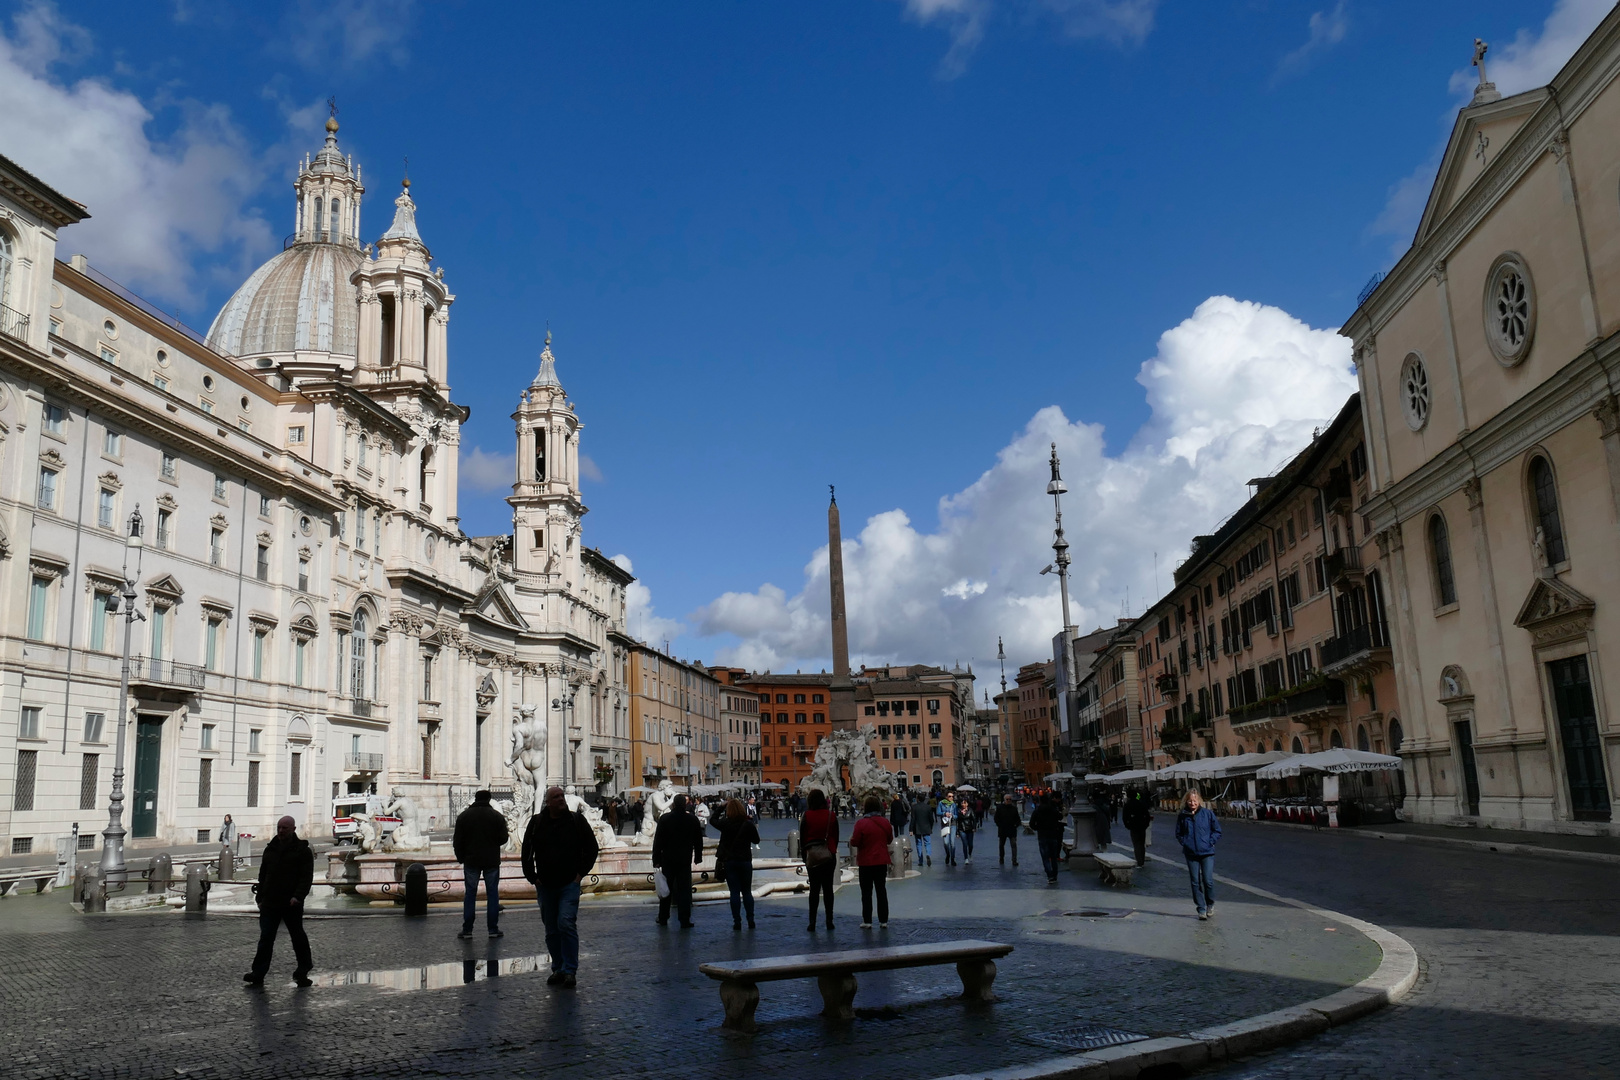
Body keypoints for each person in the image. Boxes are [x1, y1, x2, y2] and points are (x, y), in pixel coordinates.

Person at [522, 785, 599, 987]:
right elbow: (526, 851)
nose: (561, 799)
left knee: (565, 923)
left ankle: (570, 970)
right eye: (556, 797)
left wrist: (580, 874)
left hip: (568, 884)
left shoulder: (576, 820)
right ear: (548, 802)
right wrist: (533, 877)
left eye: (561, 796)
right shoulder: (537, 822)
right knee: (551, 930)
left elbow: (592, 848)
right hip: (545, 884)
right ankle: (558, 967)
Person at [243, 816, 314, 987]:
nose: (281, 831)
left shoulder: (302, 850)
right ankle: (258, 973)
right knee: (266, 938)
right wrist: (260, 897)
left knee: (297, 937)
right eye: (279, 827)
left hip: (291, 903)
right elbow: (262, 875)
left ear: (293, 829)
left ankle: (303, 970)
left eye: (285, 828)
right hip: (270, 901)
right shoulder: (270, 849)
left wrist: (297, 896)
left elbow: (306, 878)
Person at [453, 789, 510, 939]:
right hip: (491, 860)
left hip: (471, 860)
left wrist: (461, 857)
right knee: (492, 894)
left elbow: (457, 840)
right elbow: (504, 838)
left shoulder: (464, 816)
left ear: (475, 799)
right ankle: (492, 929)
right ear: (489, 799)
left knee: (470, 894)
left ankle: (467, 929)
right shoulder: (496, 817)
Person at [652, 793, 703, 928]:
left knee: (666, 889)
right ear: (685, 804)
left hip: (667, 859)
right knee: (684, 890)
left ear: (673, 804)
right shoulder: (692, 819)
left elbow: (658, 841)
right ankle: (684, 919)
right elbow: (698, 841)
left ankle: (663, 917)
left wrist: (656, 859)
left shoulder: (665, 819)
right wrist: (698, 857)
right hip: (684, 859)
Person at [714, 798, 761, 930]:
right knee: (747, 892)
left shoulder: (725, 823)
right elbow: (756, 840)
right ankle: (751, 919)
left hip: (730, 861)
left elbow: (712, 820)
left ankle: (737, 921)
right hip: (745, 861)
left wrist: (721, 807)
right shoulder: (748, 824)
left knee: (734, 892)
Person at [1175, 790, 1222, 920]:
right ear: (1186, 801)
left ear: (1199, 801)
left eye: (1195, 801)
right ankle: (1201, 908)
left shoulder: (1207, 814)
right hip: (1191, 853)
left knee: (1208, 881)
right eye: (1190, 801)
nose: (1192, 803)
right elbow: (1178, 833)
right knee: (1195, 882)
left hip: (1207, 852)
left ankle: (1210, 904)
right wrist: (1185, 843)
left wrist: (1210, 842)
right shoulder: (1183, 815)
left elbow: (1217, 830)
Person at [849, 795, 894, 928]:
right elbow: (890, 840)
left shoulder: (861, 823)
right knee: (881, 891)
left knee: (866, 893)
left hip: (866, 862)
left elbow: (855, 841)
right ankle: (884, 920)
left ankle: (867, 920)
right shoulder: (885, 822)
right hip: (881, 861)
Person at [799, 788, 840, 930]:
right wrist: (832, 849)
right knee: (828, 889)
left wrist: (804, 855)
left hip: (812, 855)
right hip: (828, 855)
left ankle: (812, 922)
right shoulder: (831, 815)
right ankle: (829, 920)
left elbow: (803, 838)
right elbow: (836, 835)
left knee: (814, 890)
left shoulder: (807, 815)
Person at [1028, 792, 1067, 884]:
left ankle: (1050, 876)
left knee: (1045, 857)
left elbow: (1031, 824)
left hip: (1042, 836)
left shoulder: (1037, 811)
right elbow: (1060, 817)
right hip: (1053, 835)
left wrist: (1038, 828)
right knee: (1053, 857)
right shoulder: (1053, 810)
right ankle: (1055, 875)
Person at [1122, 788, 1153, 867]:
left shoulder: (1127, 805)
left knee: (1136, 844)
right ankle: (1141, 860)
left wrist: (1127, 825)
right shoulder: (1141, 803)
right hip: (1142, 826)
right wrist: (1146, 824)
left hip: (1133, 827)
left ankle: (1138, 860)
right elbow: (1147, 815)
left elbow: (1124, 817)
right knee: (1142, 844)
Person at [994, 795, 1022, 866]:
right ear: (1004, 800)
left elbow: (1018, 819)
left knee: (1013, 845)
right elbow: (996, 818)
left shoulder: (1014, 808)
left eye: (1010, 799)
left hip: (1012, 829)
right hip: (1002, 829)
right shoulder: (1000, 808)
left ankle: (1014, 860)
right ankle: (1001, 858)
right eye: (1007, 799)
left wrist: (1016, 825)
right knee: (1001, 845)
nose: (1009, 800)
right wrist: (1000, 825)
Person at [909, 794, 934, 867]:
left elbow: (913, 819)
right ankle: (928, 854)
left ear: (918, 799)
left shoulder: (914, 807)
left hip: (917, 828)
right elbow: (931, 819)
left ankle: (920, 860)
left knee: (918, 844)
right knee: (927, 843)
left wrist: (911, 829)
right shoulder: (928, 807)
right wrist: (930, 827)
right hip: (926, 828)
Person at [938, 793, 958, 866]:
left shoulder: (954, 805)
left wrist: (953, 816)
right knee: (946, 843)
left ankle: (952, 859)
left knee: (952, 843)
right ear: (946, 797)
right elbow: (938, 812)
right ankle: (948, 854)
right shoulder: (941, 803)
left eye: (953, 796)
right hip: (944, 825)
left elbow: (956, 815)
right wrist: (944, 813)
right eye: (950, 796)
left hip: (953, 824)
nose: (951, 797)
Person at [958, 794, 977, 864]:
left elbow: (974, 819)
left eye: (964, 803)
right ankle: (966, 858)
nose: (963, 804)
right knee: (965, 844)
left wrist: (974, 827)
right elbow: (957, 822)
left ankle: (970, 853)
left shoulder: (970, 810)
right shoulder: (958, 811)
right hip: (962, 829)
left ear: (967, 804)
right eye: (962, 803)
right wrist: (957, 832)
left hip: (970, 829)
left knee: (970, 844)